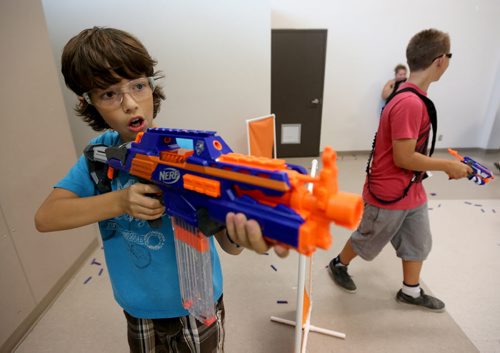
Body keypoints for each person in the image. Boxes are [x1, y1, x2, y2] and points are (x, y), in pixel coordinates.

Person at [34, 27, 287, 353]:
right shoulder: (100, 156)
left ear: (152, 87)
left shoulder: (192, 157)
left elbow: (231, 245)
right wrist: (120, 201)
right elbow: (46, 217)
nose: (130, 104)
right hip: (137, 308)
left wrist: (239, 221)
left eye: (138, 86)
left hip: (198, 306)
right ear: (89, 103)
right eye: (109, 94)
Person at [328, 29, 472, 312]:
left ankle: (411, 291)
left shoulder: (412, 94)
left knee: (418, 240)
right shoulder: (409, 102)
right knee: (368, 238)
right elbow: (404, 157)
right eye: (449, 58)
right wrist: (447, 166)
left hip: (411, 188)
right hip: (389, 190)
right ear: (440, 60)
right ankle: (339, 264)